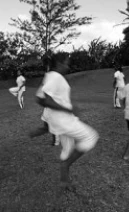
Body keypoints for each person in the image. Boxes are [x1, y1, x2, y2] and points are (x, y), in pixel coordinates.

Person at [36, 53, 99, 191]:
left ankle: (64, 180)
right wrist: (68, 108)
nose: (68, 66)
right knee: (91, 136)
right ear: (59, 63)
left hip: (59, 120)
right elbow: (44, 99)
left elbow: (40, 97)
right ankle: (66, 165)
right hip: (62, 120)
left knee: (67, 148)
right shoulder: (56, 77)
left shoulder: (49, 76)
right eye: (66, 63)